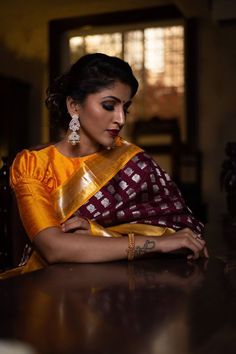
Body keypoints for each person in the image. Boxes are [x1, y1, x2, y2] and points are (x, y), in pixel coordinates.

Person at [2, 53, 208, 278]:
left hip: (120, 284)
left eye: (125, 108)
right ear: (74, 106)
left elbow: (180, 230)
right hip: (47, 290)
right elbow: (53, 248)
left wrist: (97, 233)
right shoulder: (33, 164)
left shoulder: (134, 162)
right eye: (109, 105)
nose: (121, 119)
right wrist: (156, 244)